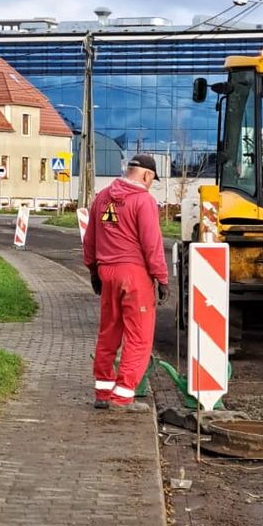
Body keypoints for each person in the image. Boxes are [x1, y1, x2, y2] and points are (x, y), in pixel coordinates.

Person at [82, 153, 169, 408]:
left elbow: (90, 240)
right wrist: (161, 278)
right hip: (134, 275)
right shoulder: (143, 201)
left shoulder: (102, 197)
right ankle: (122, 396)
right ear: (146, 175)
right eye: (152, 180)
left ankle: (102, 392)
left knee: (109, 331)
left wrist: (93, 271)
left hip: (107, 272)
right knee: (139, 335)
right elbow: (152, 244)